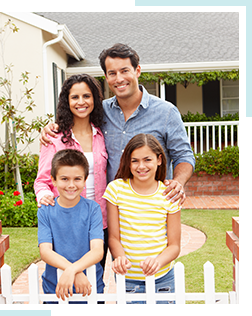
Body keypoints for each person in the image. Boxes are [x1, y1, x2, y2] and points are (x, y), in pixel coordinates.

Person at [39, 43, 195, 206]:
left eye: (125, 71)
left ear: (138, 71)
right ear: (106, 77)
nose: (119, 79)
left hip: (152, 208)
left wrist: (178, 181)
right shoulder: (99, 111)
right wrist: (53, 128)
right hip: (111, 208)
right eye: (112, 73)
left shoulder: (166, 112)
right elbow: (77, 120)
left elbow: (184, 155)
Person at [34, 74, 109, 271]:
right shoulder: (54, 138)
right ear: (67, 101)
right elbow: (42, 181)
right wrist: (45, 197)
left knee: (94, 278)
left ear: (94, 99)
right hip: (67, 222)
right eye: (75, 97)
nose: (81, 102)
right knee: (67, 279)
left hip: (99, 219)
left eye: (86, 96)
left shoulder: (103, 134)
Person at [103, 133, 181, 304]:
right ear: (128, 162)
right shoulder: (116, 190)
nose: (141, 166)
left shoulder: (168, 195)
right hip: (128, 279)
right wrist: (120, 257)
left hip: (162, 278)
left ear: (159, 160)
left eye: (147, 159)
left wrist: (157, 262)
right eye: (135, 160)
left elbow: (174, 246)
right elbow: (114, 238)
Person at [38, 149, 105, 304]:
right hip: (56, 287)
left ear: (85, 179)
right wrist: (73, 271)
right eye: (64, 179)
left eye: (77, 179)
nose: (71, 185)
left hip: (90, 287)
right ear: (53, 180)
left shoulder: (93, 209)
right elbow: (45, 252)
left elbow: (97, 251)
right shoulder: (46, 211)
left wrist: (72, 270)